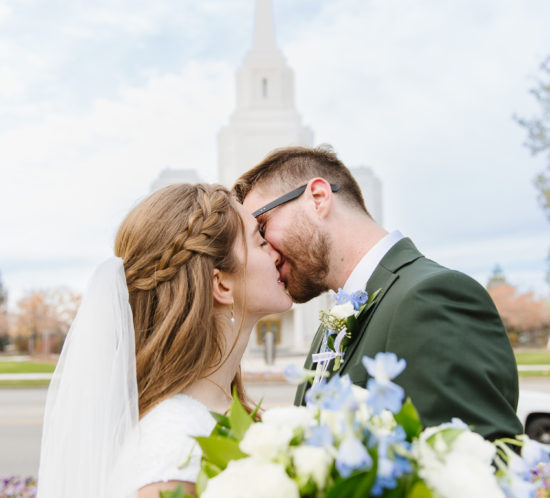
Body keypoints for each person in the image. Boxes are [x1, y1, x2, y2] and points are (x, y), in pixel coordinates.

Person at [233, 145, 523, 440]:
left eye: (262, 228)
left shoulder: (433, 297)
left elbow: (477, 467)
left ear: (318, 198)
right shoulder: (329, 328)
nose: (265, 253)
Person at [37, 183, 292, 498]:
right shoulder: (174, 442)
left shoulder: (217, 411)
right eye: (260, 241)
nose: (277, 253)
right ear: (221, 284)